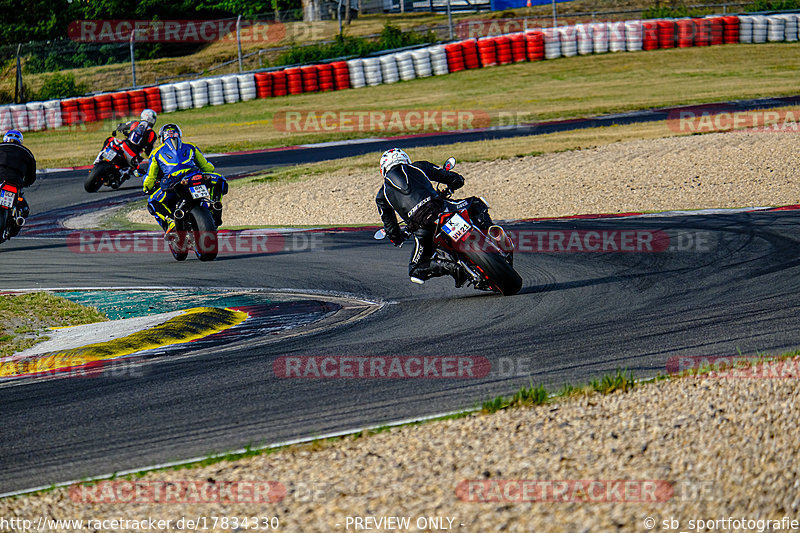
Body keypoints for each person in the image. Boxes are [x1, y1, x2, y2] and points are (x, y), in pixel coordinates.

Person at [375, 148, 493, 286]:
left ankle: (455, 269)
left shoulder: (382, 195)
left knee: (415, 270)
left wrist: (397, 238)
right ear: (406, 159)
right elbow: (454, 178)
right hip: (443, 208)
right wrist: (455, 183)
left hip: (422, 227)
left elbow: (390, 226)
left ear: (383, 168)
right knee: (477, 203)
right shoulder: (418, 167)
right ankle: (492, 233)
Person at [143, 123, 227, 236]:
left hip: (174, 183)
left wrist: (146, 187)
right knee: (220, 180)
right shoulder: (191, 146)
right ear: (179, 135)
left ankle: (171, 221)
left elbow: (150, 178)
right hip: (195, 176)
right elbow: (208, 167)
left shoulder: (156, 153)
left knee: (152, 201)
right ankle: (216, 204)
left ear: (162, 138)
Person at [0, 130, 36, 232]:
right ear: (20, 141)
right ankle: (17, 220)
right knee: (24, 208)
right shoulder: (27, 153)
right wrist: (27, 183)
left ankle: (17, 218)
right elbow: (31, 175)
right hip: (15, 181)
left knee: (23, 206)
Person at [109, 109, 158, 174]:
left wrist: (120, 129)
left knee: (109, 140)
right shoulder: (152, 134)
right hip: (134, 156)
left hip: (124, 146)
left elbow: (121, 126)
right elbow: (148, 150)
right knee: (135, 171)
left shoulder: (135, 124)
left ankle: (98, 160)